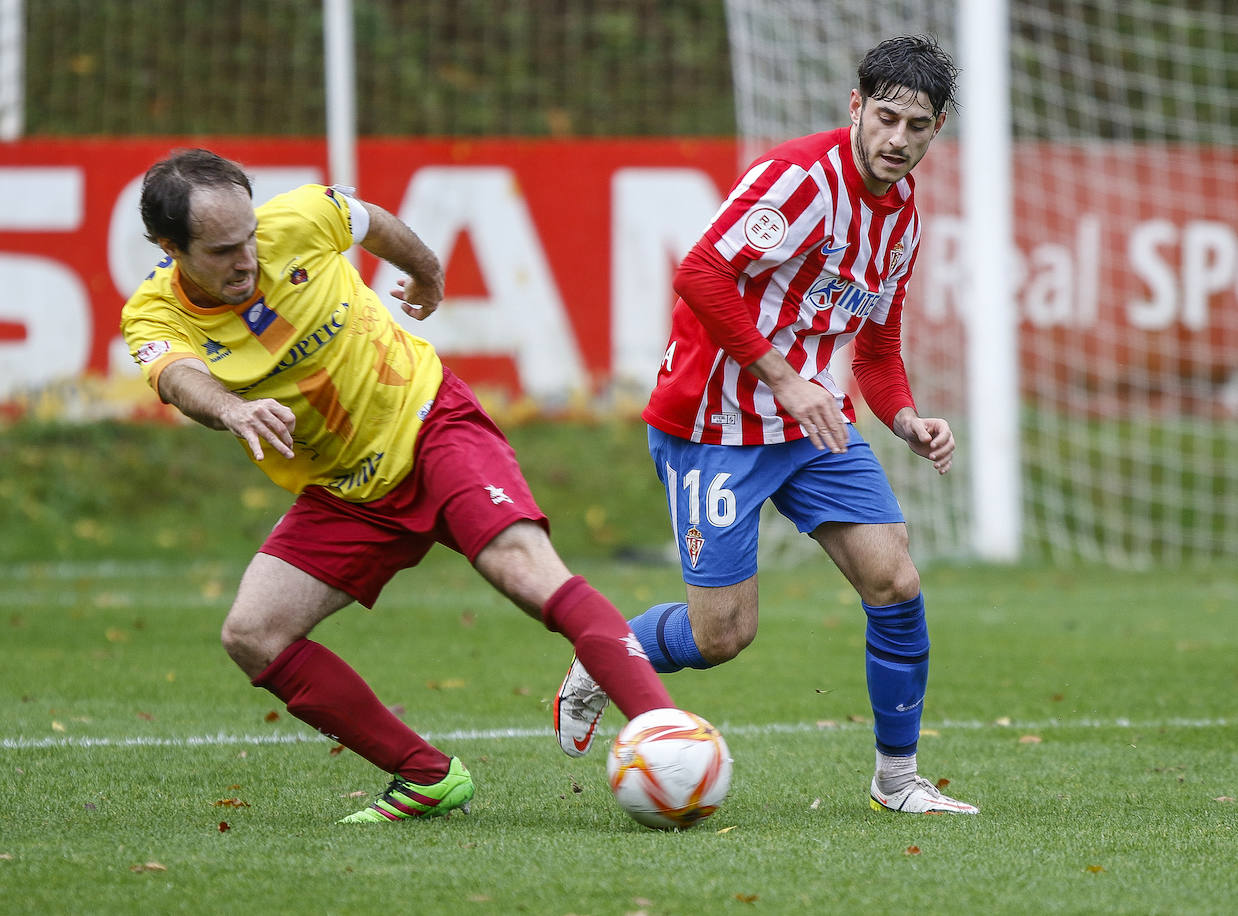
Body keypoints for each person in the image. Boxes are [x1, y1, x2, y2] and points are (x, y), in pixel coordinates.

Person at [121, 148, 673, 824]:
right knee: (253, 633)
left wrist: (428, 273)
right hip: (346, 490)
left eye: (252, 237)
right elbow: (178, 377)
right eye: (225, 249)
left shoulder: (299, 216)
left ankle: (668, 734)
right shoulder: (152, 316)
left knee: (523, 571)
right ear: (169, 246)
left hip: (431, 423)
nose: (249, 258)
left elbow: (372, 222)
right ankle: (428, 777)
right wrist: (232, 409)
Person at [554, 35, 978, 815]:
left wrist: (907, 417)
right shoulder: (800, 180)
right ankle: (605, 654)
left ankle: (897, 782)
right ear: (857, 106)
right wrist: (784, 379)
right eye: (885, 118)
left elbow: (877, 348)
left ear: (936, 129)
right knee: (721, 636)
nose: (897, 140)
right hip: (715, 423)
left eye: (917, 127)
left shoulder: (903, 221)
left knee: (895, 580)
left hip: (812, 426)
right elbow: (701, 273)